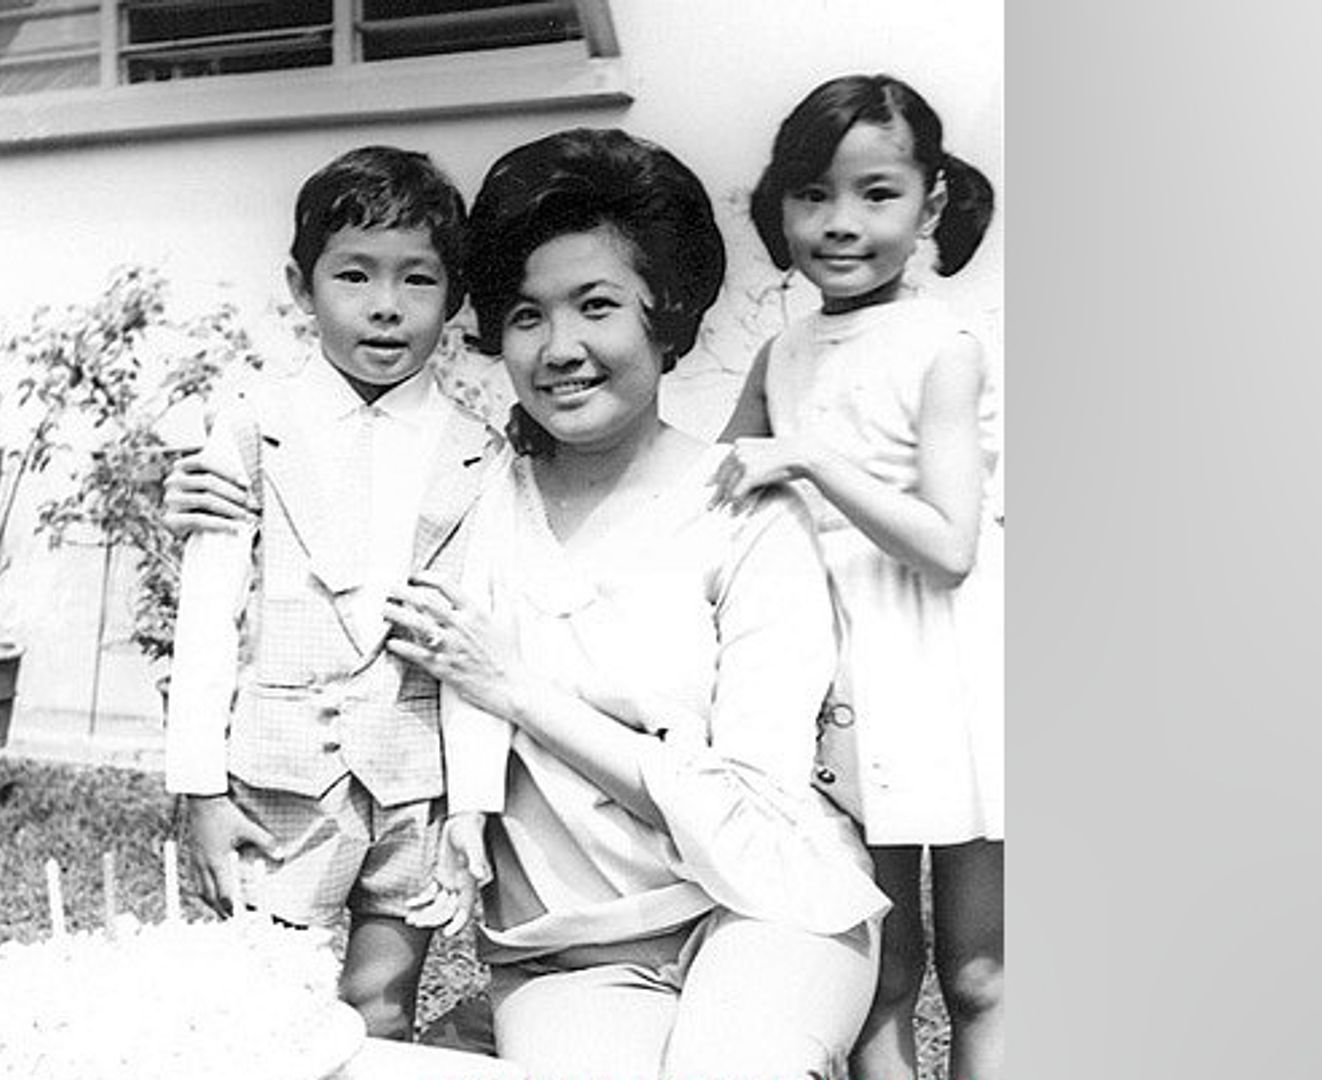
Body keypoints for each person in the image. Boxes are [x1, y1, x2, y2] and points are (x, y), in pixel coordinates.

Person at [382, 128, 889, 1080]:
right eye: (526, 316)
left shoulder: (742, 513)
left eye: (597, 306)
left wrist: (519, 692)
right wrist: (222, 491)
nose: (560, 348)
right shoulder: (470, 496)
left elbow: (754, 813)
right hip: (570, 953)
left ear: (668, 314)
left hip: (764, 911)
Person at [159, 145, 506, 1041]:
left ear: (455, 297)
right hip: (277, 779)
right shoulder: (248, 428)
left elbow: (474, 645)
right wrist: (201, 789)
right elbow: (206, 621)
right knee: (265, 1003)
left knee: (382, 1005)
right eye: (354, 274)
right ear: (300, 285)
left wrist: (468, 805)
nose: (386, 306)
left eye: (418, 280)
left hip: (410, 784)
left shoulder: (479, 452)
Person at [710, 73, 1005, 1080]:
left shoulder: (942, 348)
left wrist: (810, 459)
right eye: (812, 194)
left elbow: (951, 544)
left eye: (876, 194)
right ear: (777, 206)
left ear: (930, 204)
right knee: (877, 966)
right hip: (835, 683)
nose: (841, 223)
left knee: (978, 972)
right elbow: (701, 503)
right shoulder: (781, 352)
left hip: (946, 676)